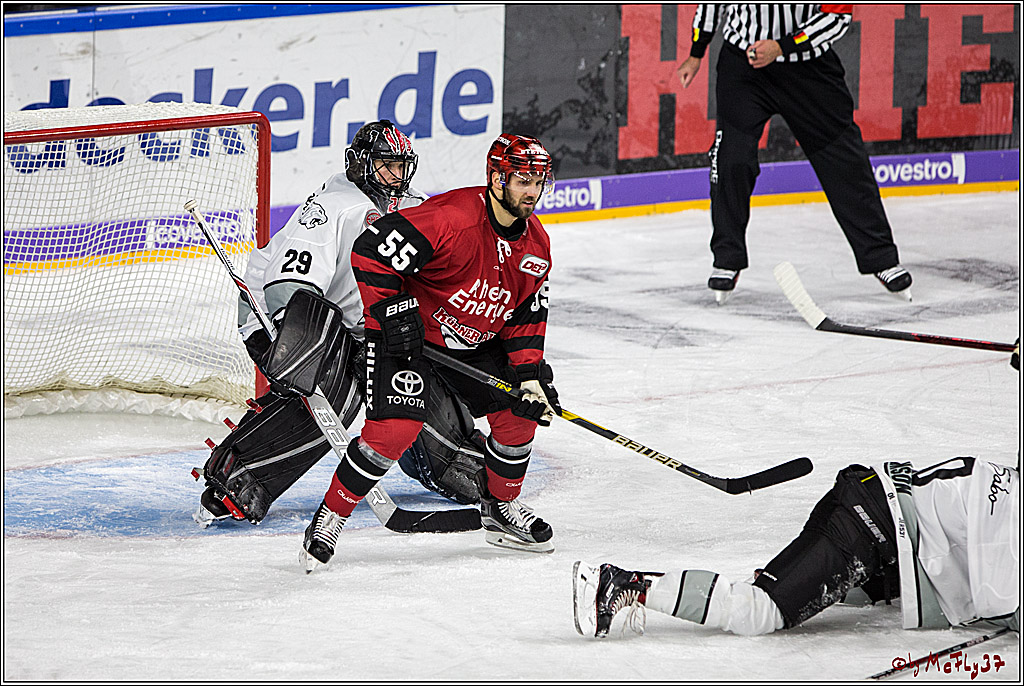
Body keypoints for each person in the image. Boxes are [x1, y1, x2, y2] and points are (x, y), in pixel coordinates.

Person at [194, 120, 489, 528]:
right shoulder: (332, 208)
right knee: (336, 392)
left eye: (402, 166)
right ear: (360, 164)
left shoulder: (415, 205)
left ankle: (451, 457)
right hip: (285, 321)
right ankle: (241, 476)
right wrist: (294, 345)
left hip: (365, 325)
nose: (396, 176)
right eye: (387, 165)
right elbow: (289, 284)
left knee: (409, 376)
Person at [300, 133, 562, 570]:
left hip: (474, 342)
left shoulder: (536, 246)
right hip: (409, 338)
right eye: (521, 180)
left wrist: (529, 375)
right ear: (496, 178)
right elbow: (370, 252)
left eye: (538, 180)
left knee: (520, 412)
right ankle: (330, 517)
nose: (532, 191)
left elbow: (523, 317)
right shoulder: (450, 218)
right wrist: (393, 316)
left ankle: (500, 508)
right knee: (394, 432)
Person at [573, 456, 1019, 639]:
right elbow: (1003, 603)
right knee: (761, 612)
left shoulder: (1009, 487)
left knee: (860, 596)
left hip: (883, 523)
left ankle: (770, 584)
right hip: (869, 525)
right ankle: (625, 584)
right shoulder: (1010, 513)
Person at [677, 4, 913, 304]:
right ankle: (727, 258)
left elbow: (836, 19)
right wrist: (696, 53)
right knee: (731, 159)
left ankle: (881, 258)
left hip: (809, 70)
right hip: (743, 67)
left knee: (844, 161)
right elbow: (710, 6)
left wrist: (780, 47)